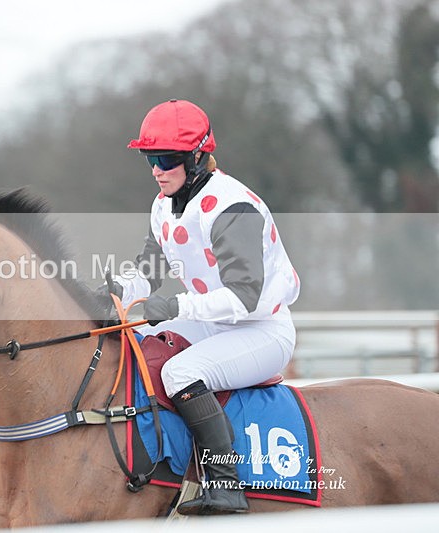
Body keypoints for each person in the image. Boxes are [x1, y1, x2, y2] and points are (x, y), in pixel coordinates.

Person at [102, 99, 300, 515]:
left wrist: (176, 305)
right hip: (215, 324)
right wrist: (114, 290)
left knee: (181, 372)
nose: (156, 170)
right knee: (135, 340)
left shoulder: (232, 206)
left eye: (165, 159)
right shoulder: (164, 204)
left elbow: (244, 298)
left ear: (196, 157)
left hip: (261, 329)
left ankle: (225, 485)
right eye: (149, 159)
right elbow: (149, 270)